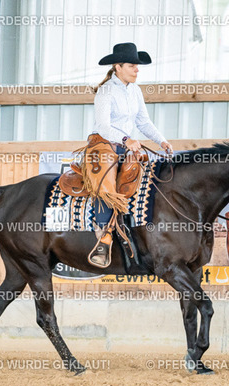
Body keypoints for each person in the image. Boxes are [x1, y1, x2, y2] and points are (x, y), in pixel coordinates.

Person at [84, 42, 173, 268]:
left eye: (137, 66)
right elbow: (103, 126)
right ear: (118, 67)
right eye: (132, 66)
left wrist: (161, 140)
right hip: (102, 145)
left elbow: (143, 122)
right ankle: (103, 237)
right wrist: (126, 139)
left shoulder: (135, 90)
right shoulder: (106, 91)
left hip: (126, 147)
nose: (137, 70)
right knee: (105, 183)